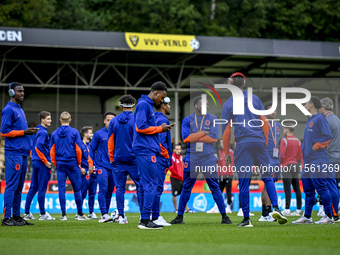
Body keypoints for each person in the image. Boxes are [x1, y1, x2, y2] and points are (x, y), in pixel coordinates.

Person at [222, 72, 287, 227]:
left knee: (244, 182)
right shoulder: (255, 99)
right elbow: (264, 121)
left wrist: (226, 152)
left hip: (243, 144)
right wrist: (264, 142)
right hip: (258, 142)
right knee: (267, 177)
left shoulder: (228, 104)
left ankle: (246, 219)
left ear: (231, 84)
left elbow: (226, 131)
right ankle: (276, 208)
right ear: (243, 84)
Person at [170, 96, 232, 225]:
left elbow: (214, 138)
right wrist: (204, 133)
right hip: (192, 157)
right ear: (196, 106)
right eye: (204, 104)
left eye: (208, 104)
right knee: (186, 187)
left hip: (208, 158)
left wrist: (196, 137)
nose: (207, 106)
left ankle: (225, 217)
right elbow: (186, 139)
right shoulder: (187, 120)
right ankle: (180, 217)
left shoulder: (213, 119)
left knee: (215, 187)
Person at [133, 81, 172, 229]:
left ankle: (145, 218)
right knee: (152, 184)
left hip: (146, 148)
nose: (161, 101)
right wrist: (159, 129)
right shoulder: (144, 105)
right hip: (145, 149)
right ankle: (145, 220)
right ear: (155, 93)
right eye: (162, 97)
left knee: (146, 184)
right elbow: (140, 126)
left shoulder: (147, 105)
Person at [293, 96, 334, 224]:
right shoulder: (311, 119)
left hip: (318, 160)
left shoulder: (320, 119)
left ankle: (328, 216)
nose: (304, 105)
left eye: (306, 103)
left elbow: (328, 136)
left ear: (311, 105)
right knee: (308, 189)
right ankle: (307, 216)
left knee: (321, 188)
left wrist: (315, 147)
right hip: (308, 161)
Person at [1, 82, 37, 226]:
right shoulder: (8, 110)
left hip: (22, 153)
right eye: (19, 91)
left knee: (19, 186)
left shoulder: (19, 109)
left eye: (23, 91)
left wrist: (28, 131)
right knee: (12, 185)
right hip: (13, 153)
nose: (22, 93)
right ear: (11, 93)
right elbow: (4, 131)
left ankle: (16, 216)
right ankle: (6, 218)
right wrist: (24, 132)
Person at [108, 95, 142, 224]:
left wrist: (112, 158)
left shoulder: (114, 121)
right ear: (133, 105)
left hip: (118, 159)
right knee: (140, 186)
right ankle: (142, 215)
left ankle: (121, 216)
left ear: (121, 105)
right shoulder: (137, 120)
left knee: (120, 188)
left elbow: (110, 142)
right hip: (134, 159)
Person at [50, 111, 89, 221]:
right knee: (77, 189)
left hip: (60, 163)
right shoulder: (75, 132)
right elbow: (78, 149)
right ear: (70, 120)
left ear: (60, 120)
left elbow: (52, 151)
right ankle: (80, 214)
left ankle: (63, 215)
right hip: (72, 163)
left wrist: (56, 163)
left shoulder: (54, 133)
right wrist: (79, 164)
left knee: (62, 190)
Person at [23, 111, 55, 221]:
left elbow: (32, 146)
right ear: (42, 120)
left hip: (36, 162)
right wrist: (45, 161)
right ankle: (42, 214)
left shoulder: (36, 131)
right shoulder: (43, 132)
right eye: (48, 118)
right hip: (42, 163)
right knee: (42, 189)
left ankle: (26, 212)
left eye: (50, 118)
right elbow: (38, 147)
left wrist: (35, 158)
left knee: (33, 188)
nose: (50, 120)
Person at [91, 112, 116, 223]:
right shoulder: (98, 134)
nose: (110, 122)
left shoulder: (117, 134)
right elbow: (91, 149)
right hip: (101, 166)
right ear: (104, 121)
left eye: (112, 120)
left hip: (114, 167)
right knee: (103, 189)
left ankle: (106, 214)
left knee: (110, 191)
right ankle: (104, 214)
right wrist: (91, 164)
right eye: (108, 120)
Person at [151, 97, 172, 226]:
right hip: (160, 158)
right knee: (157, 187)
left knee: (149, 186)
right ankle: (155, 217)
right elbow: (160, 143)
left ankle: (147, 215)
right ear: (163, 106)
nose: (169, 107)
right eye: (168, 105)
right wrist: (167, 158)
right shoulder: (163, 120)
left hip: (151, 157)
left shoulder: (152, 118)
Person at [259, 102, 281, 222]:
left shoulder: (278, 125)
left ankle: (264, 213)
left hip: (276, 158)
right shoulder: (262, 123)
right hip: (266, 157)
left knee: (267, 186)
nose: (273, 112)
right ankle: (268, 212)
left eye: (275, 110)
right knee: (269, 184)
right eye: (270, 110)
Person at [319, 97, 340, 222]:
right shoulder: (338, 120)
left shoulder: (326, 121)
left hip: (329, 158)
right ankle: (334, 214)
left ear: (323, 107)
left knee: (330, 186)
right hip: (337, 157)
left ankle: (332, 215)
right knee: (335, 186)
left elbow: (324, 142)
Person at [207, 139, 234, 214]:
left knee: (228, 191)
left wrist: (228, 173)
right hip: (221, 175)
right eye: (221, 142)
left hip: (228, 175)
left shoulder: (229, 152)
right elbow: (220, 164)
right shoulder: (221, 151)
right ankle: (216, 206)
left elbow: (229, 164)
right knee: (218, 191)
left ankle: (228, 207)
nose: (222, 144)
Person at [280, 126, 302, 216]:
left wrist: (282, 163)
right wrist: (294, 160)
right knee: (297, 188)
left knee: (287, 188)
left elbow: (282, 155)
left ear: (287, 130)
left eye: (284, 130)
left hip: (286, 165)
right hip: (295, 165)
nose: (284, 131)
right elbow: (300, 155)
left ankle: (287, 210)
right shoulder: (298, 141)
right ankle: (298, 210)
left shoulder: (284, 140)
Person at [79, 126, 97, 219]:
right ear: (85, 134)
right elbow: (76, 159)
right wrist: (80, 168)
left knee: (92, 193)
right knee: (83, 193)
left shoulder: (92, 146)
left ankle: (91, 212)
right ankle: (79, 213)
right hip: (85, 172)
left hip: (93, 171)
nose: (92, 134)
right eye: (90, 133)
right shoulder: (80, 145)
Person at [169, 144, 190, 213]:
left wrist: (183, 176)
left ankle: (186, 208)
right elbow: (171, 168)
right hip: (175, 178)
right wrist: (178, 175)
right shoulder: (172, 157)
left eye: (179, 149)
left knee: (183, 193)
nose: (178, 151)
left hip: (181, 178)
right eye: (177, 149)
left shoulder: (180, 157)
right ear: (174, 150)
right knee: (175, 194)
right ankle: (176, 209)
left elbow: (181, 167)